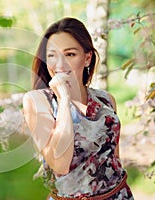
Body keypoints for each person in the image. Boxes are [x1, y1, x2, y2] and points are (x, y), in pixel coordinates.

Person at [23, 17, 134, 199]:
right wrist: (64, 99)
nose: (59, 64)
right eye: (52, 55)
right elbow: (60, 164)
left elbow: (114, 159)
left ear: (87, 57)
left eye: (70, 54)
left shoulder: (106, 100)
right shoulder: (37, 101)